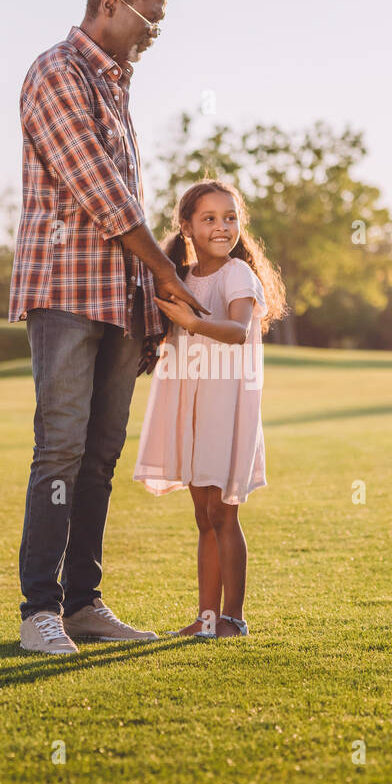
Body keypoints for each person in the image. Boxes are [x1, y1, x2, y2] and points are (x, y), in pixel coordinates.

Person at [9, 0, 208, 655]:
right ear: (110, 4)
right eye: (149, 19)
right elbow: (105, 196)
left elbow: (130, 207)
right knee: (59, 449)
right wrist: (171, 273)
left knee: (99, 456)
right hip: (66, 291)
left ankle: (83, 601)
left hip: (121, 301)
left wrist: (153, 301)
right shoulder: (56, 71)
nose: (154, 34)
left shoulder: (117, 86)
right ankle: (40, 611)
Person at [132, 180, 288, 638]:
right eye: (209, 218)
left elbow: (238, 330)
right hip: (192, 405)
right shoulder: (179, 279)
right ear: (186, 227)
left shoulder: (238, 275)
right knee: (203, 516)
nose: (222, 227)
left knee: (224, 513)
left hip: (225, 407)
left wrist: (194, 321)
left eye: (230, 217)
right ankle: (205, 619)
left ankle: (233, 618)